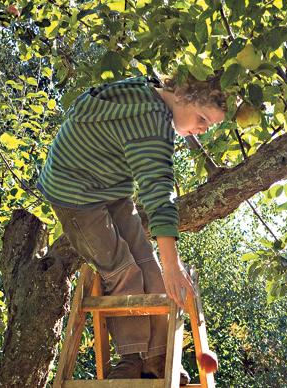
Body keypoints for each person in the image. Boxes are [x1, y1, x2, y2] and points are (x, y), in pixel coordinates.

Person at [36, 74, 227, 381]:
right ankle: (132, 356)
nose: (202, 129)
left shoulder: (148, 88)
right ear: (180, 95)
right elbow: (158, 192)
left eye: (209, 125)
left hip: (108, 186)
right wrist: (173, 264)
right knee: (123, 270)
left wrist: (165, 265)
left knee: (148, 264)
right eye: (201, 118)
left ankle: (158, 357)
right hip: (74, 194)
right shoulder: (152, 124)